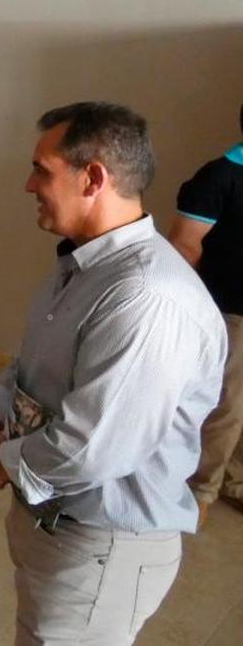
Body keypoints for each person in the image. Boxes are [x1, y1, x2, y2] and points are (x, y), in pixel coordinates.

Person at [0, 102, 226, 645]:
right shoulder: (84, 265)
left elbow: (91, 448)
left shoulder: (145, 296)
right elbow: (33, 362)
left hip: (102, 548)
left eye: (42, 169)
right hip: (57, 526)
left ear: (93, 178)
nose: (29, 184)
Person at [169, 103, 243, 526]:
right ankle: (200, 491)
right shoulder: (217, 178)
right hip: (228, 313)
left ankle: (232, 480)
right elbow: (183, 245)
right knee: (226, 407)